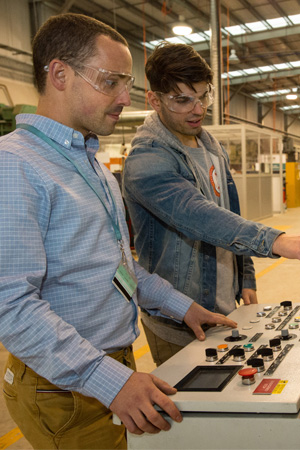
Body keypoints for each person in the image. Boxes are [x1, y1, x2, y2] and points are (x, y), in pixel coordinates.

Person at [0, 14, 238, 450]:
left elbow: (119, 267)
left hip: (109, 364)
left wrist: (181, 305)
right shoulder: (15, 166)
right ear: (59, 74)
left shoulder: (90, 165)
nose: (127, 98)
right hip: (63, 385)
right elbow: (10, 306)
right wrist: (105, 380)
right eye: (111, 82)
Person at [123, 42, 300, 367]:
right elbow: (200, 217)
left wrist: (245, 277)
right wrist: (277, 241)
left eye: (203, 96)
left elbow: (229, 214)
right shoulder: (147, 158)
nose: (198, 108)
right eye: (182, 100)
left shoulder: (210, 144)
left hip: (225, 308)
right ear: (154, 99)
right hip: (179, 318)